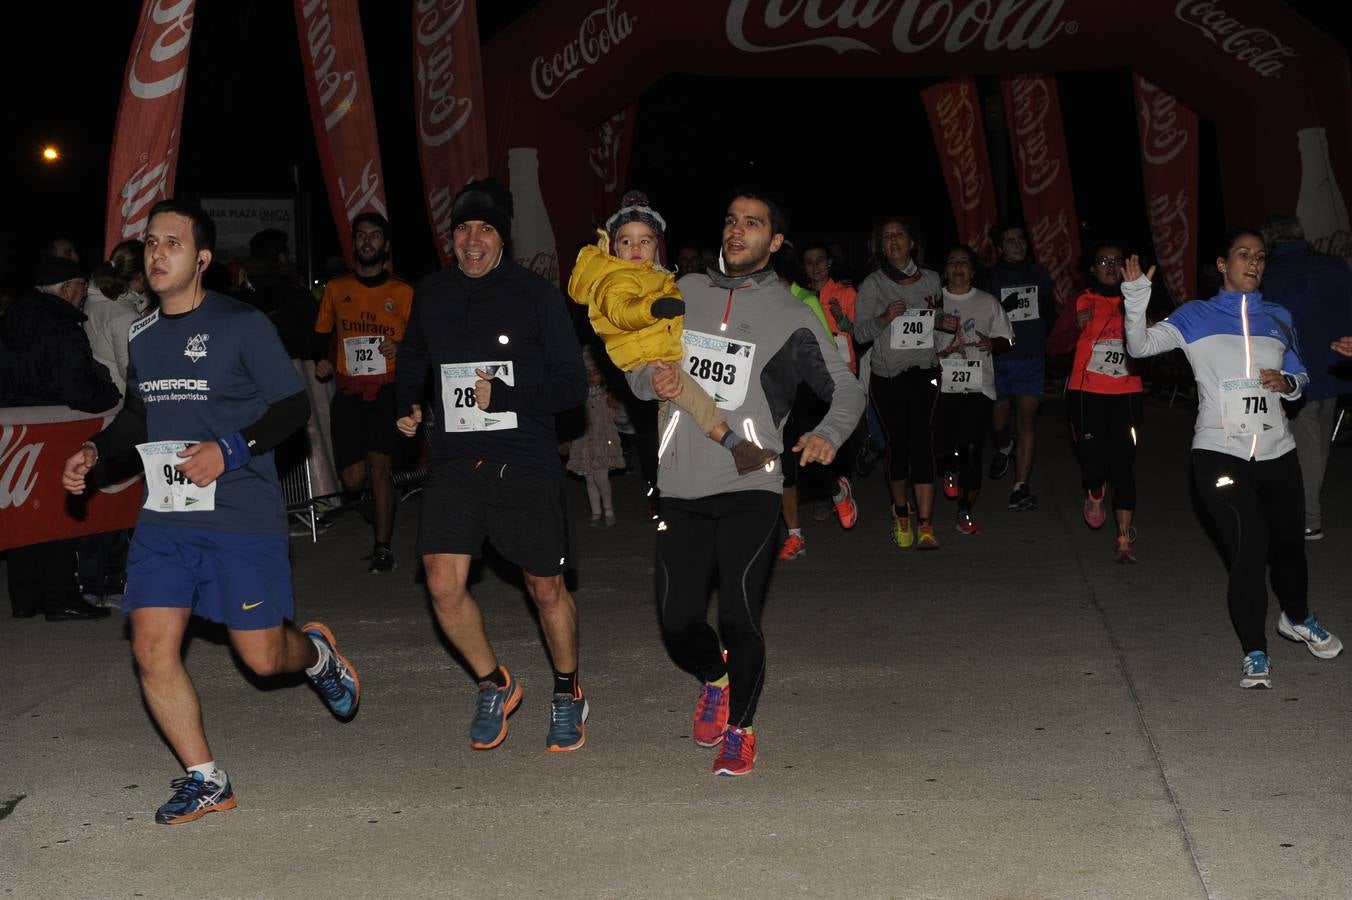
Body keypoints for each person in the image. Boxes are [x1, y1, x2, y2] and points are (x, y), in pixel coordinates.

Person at [60, 199, 360, 823]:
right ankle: (206, 777)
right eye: (149, 243)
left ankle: (317, 654)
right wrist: (94, 448)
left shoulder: (242, 324)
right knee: (151, 647)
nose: (157, 253)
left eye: (172, 243)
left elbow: (291, 409)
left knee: (262, 658)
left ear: (201, 259)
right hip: (167, 517)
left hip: (239, 516)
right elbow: (139, 417)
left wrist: (229, 450)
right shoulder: (142, 335)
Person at [627, 187, 865, 776]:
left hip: (752, 478)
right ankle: (715, 679)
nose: (737, 231)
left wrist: (829, 434)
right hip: (680, 484)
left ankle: (741, 728)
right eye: (731, 221)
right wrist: (648, 382)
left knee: (738, 615)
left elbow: (848, 389)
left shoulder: (791, 312)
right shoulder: (681, 294)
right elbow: (637, 369)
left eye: (753, 224)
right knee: (679, 622)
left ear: (775, 242)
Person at [394, 178, 591, 753]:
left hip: (525, 459)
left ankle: (566, 691)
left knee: (545, 587)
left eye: (484, 229)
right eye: (462, 229)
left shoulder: (536, 295)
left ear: (502, 236)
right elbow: (412, 356)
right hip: (456, 459)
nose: (472, 241)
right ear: (450, 236)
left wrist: (504, 395)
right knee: (441, 583)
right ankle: (493, 683)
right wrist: (408, 403)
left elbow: (571, 386)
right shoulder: (431, 292)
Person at [1122, 231, 1343, 688]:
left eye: (1260, 257)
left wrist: (1288, 384)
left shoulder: (1278, 316)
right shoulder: (1196, 315)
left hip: (1278, 452)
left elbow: (1299, 373)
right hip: (1219, 453)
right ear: (1222, 264)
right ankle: (1255, 651)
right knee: (1251, 542)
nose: (1254, 263)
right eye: (1243, 255)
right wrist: (1136, 296)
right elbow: (1139, 347)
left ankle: (1297, 617)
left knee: (1289, 547)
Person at [569, 190, 779, 477]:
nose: (635, 248)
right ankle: (735, 446)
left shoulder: (660, 277)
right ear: (614, 248)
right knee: (696, 402)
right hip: (646, 358)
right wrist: (652, 308)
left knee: (673, 418)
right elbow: (622, 312)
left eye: (645, 240)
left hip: (665, 352)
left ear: (657, 246)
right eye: (626, 241)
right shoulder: (614, 279)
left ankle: (674, 472)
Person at [313, 213, 414, 572]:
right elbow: (327, 337)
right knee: (354, 481)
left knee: (379, 470)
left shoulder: (403, 292)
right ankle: (374, 502)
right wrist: (324, 363)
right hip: (349, 392)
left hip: (386, 390)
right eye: (361, 236)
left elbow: (420, 343)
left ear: (386, 246)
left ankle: (383, 547)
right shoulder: (336, 289)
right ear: (354, 243)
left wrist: (401, 350)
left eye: (375, 236)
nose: (367, 241)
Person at [852, 216, 958, 550]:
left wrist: (944, 321)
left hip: (924, 371)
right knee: (898, 446)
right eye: (887, 237)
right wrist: (884, 318)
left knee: (923, 443)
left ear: (912, 243)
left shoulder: (931, 279)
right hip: (888, 377)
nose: (894, 241)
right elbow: (860, 334)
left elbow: (930, 318)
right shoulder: (872, 285)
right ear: (881, 247)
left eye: (899, 235)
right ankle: (901, 512)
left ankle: (926, 525)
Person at [1259, 214, 1352, 541]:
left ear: (1269, 243)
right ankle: (1297, 510)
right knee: (1316, 443)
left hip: (1293, 372)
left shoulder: (1271, 273)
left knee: (1303, 445)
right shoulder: (1336, 265)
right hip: (1336, 365)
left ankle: (1308, 518)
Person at [773, 243, 857, 560]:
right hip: (775, 393)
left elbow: (823, 353)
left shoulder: (805, 300)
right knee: (783, 470)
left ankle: (837, 490)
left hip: (806, 391)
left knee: (811, 460)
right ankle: (795, 536)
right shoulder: (755, 301)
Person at [78, 240, 149, 608]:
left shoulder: (93, 303)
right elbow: (132, 372)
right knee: (120, 504)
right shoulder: (123, 315)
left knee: (101, 502)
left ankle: (95, 582)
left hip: (101, 413)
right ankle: (112, 580)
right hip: (124, 414)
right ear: (138, 276)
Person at [1067, 242, 1145, 563]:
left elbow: (1151, 342)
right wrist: (1074, 325)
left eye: (1117, 261)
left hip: (1127, 391)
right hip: (1086, 391)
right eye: (1103, 261)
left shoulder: (1136, 302)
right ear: (1092, 268)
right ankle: (1094, 488)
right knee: (1094, 460)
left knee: (1123, 465)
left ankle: (1124, 539)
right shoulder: (1082, 301)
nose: (1111, 267)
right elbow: (1053, 342)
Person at [935, 245, 1013, 535]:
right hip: (939, 384)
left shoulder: (988, 302)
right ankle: (949, 466)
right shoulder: (934, 300)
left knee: (971, 448)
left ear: (972, 270)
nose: (958, 268)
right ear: (944, 270)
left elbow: (1008, 339)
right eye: (952, 262)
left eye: (964, 263)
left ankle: (965, 510)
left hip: (978, 384)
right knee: (942, 446)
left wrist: (994, 344)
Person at [984, 222, 1056, 511]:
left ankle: (1020, 486)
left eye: (1021, 239)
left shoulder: (1039, 274)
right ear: (1000, 248)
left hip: (1031, 358)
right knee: (999, 423)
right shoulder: (990, 278)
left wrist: (1043, 339)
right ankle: (1004, 446)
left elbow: (1050, 311)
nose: (1017, 245)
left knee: (1026, 419)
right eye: (1010, 241)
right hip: (999, 359)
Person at [564, 345, 626, 525]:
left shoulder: (607, 397)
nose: (591, 377)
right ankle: (596, 512)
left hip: (603, 443)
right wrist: (567, 442)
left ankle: (608, 509)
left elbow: (621, 419)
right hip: (583, 445)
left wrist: (617, 406)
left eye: (595, 372)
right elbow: (572, 422)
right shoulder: (579, 398)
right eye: (587, 372)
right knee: (590, 480)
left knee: (601, 478)